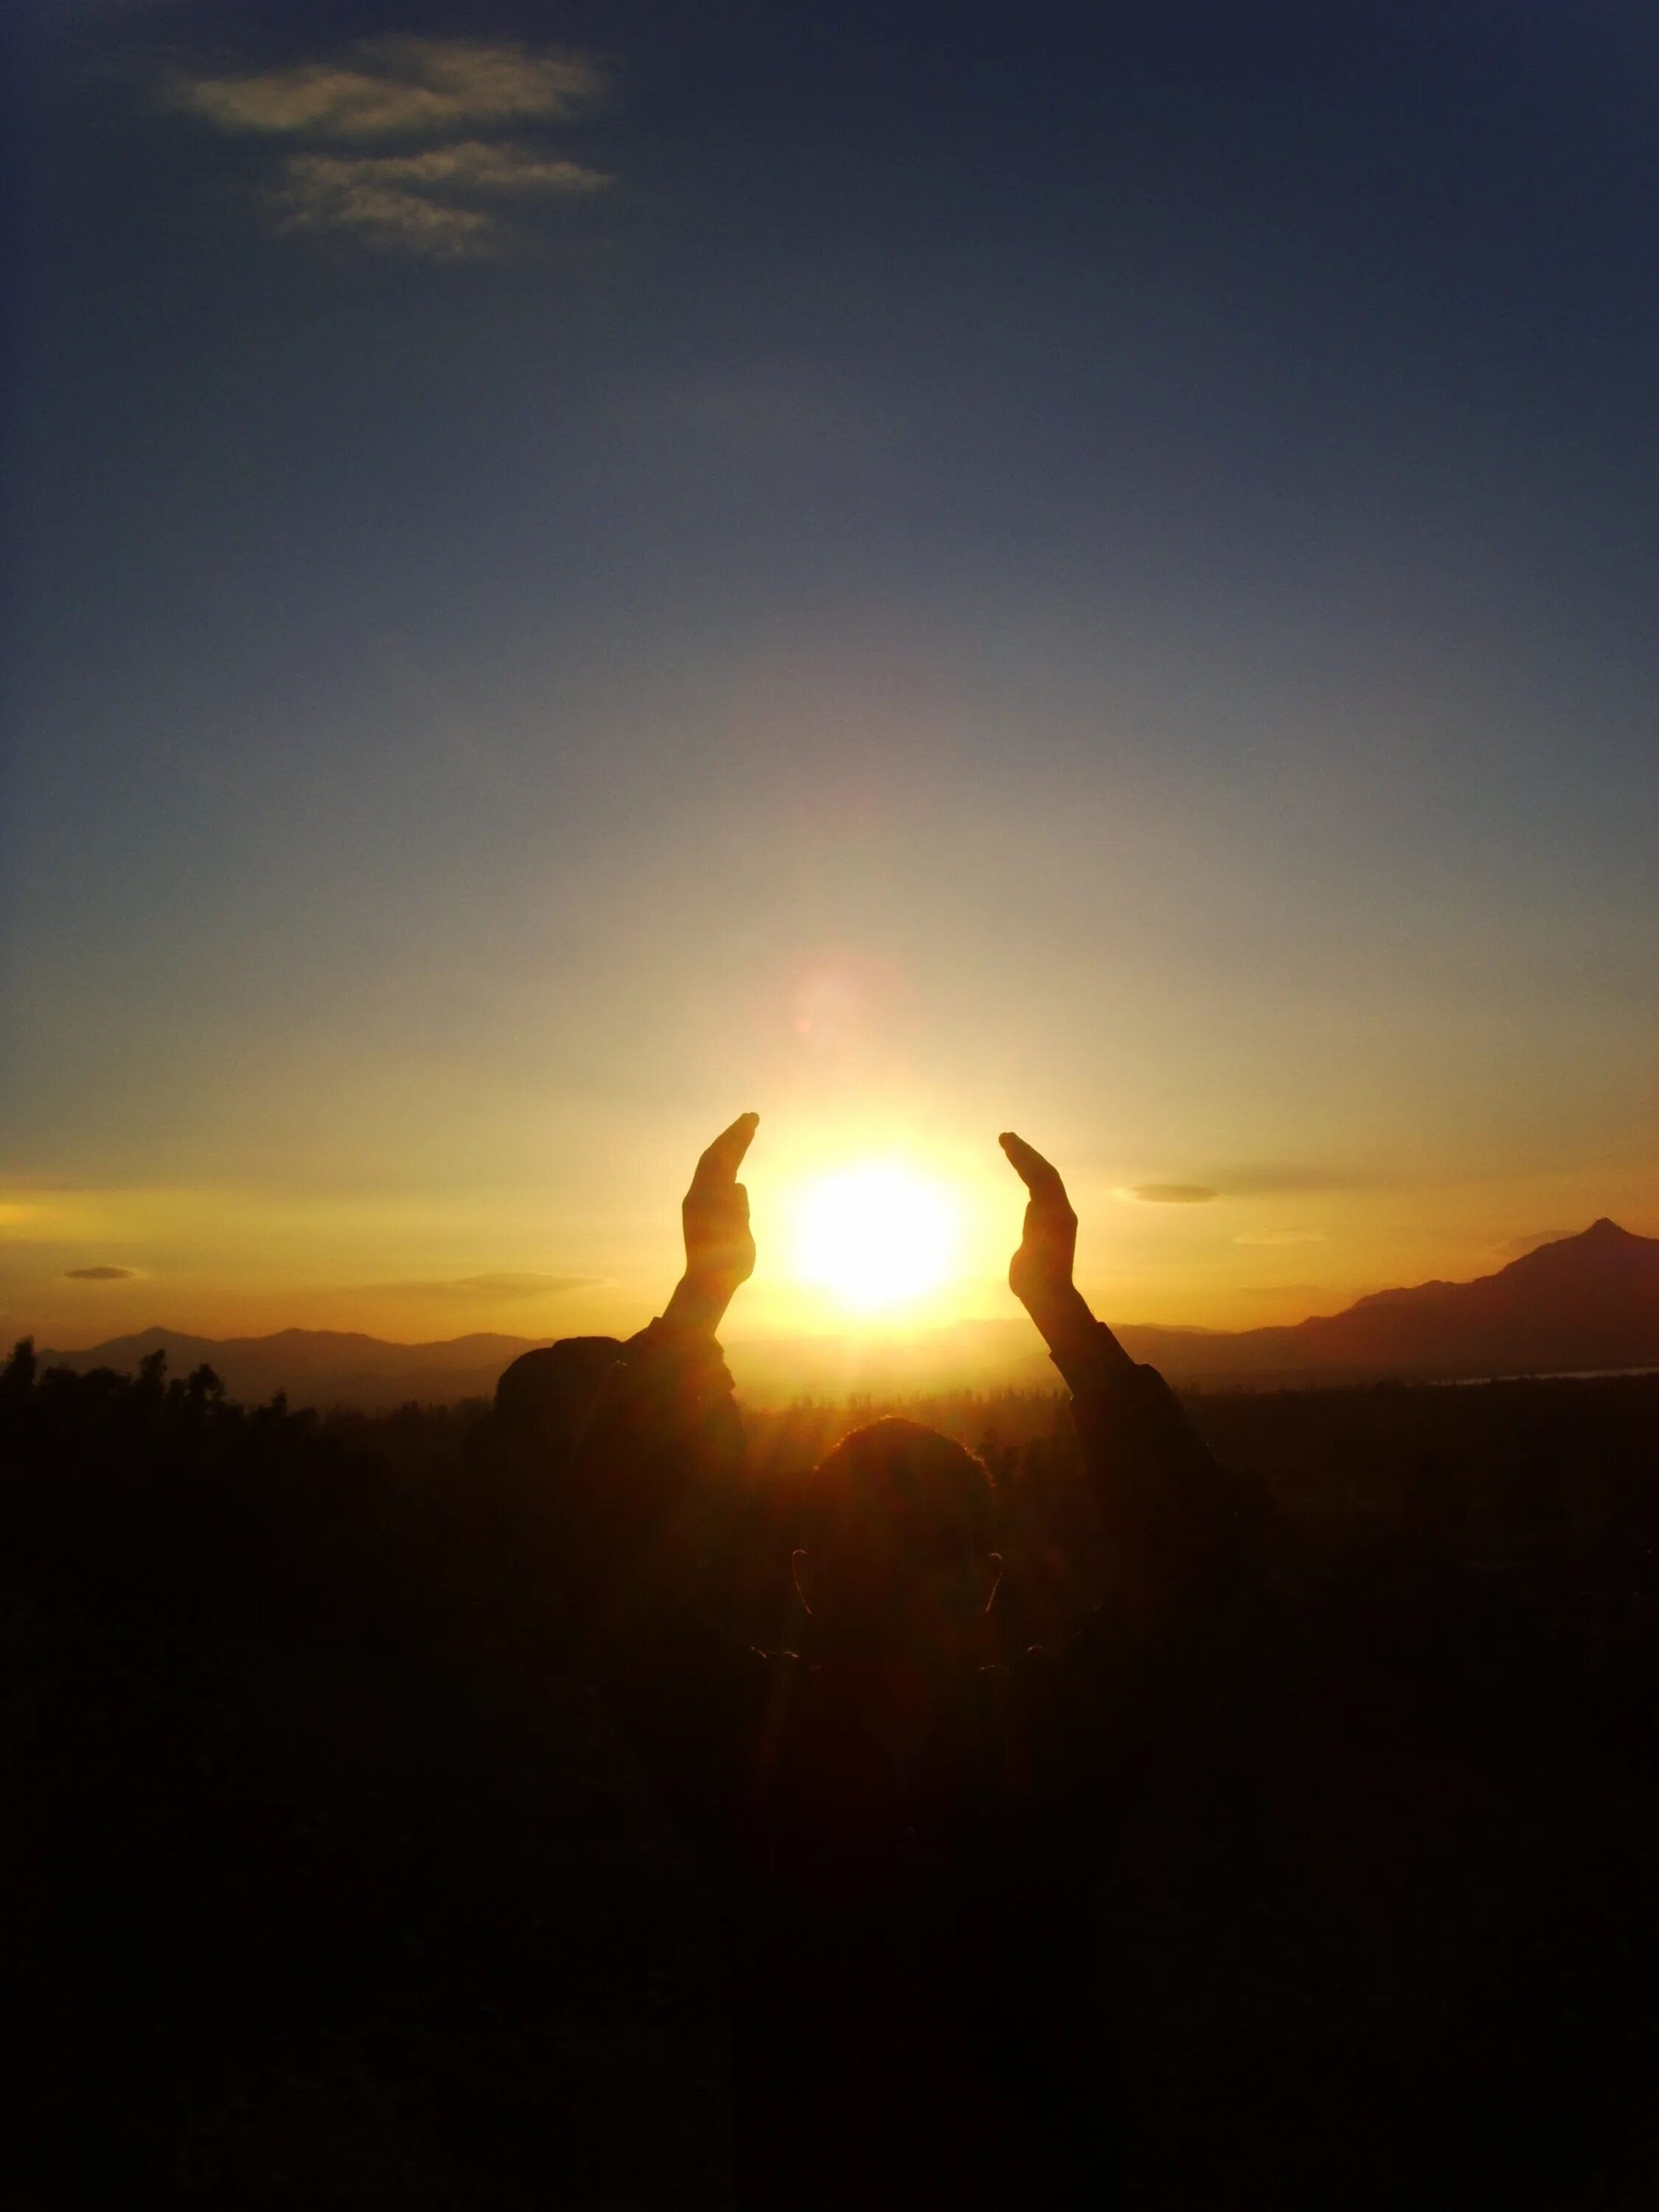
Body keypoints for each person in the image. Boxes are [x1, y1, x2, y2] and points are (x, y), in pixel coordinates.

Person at [493, 1115, 1255, 2210]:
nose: (897, 1576)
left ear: (808, 1576)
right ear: (988, 1578)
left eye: (913, 1549)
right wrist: (1062, 1317)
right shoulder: (1054, 1737)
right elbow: (1197, 1572)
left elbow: (598, 1578)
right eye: (883, 1551)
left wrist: (701, 1301)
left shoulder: (736, 1741)